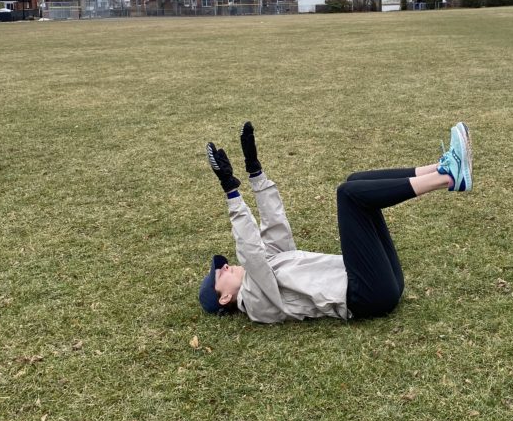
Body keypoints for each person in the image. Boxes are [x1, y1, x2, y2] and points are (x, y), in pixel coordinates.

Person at [199, 121, 472, 324]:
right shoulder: (257, 303)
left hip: (380, 283)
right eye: (218, 275)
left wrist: (255, 172)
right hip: (366, 295)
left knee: (355, 182)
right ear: (224, 298)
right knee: (349, 195)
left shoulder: (267, 274)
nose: (224, 267)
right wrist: (231, 192)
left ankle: (440, 167)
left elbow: (275, 227)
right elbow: (251, 252)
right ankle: (448, 178)